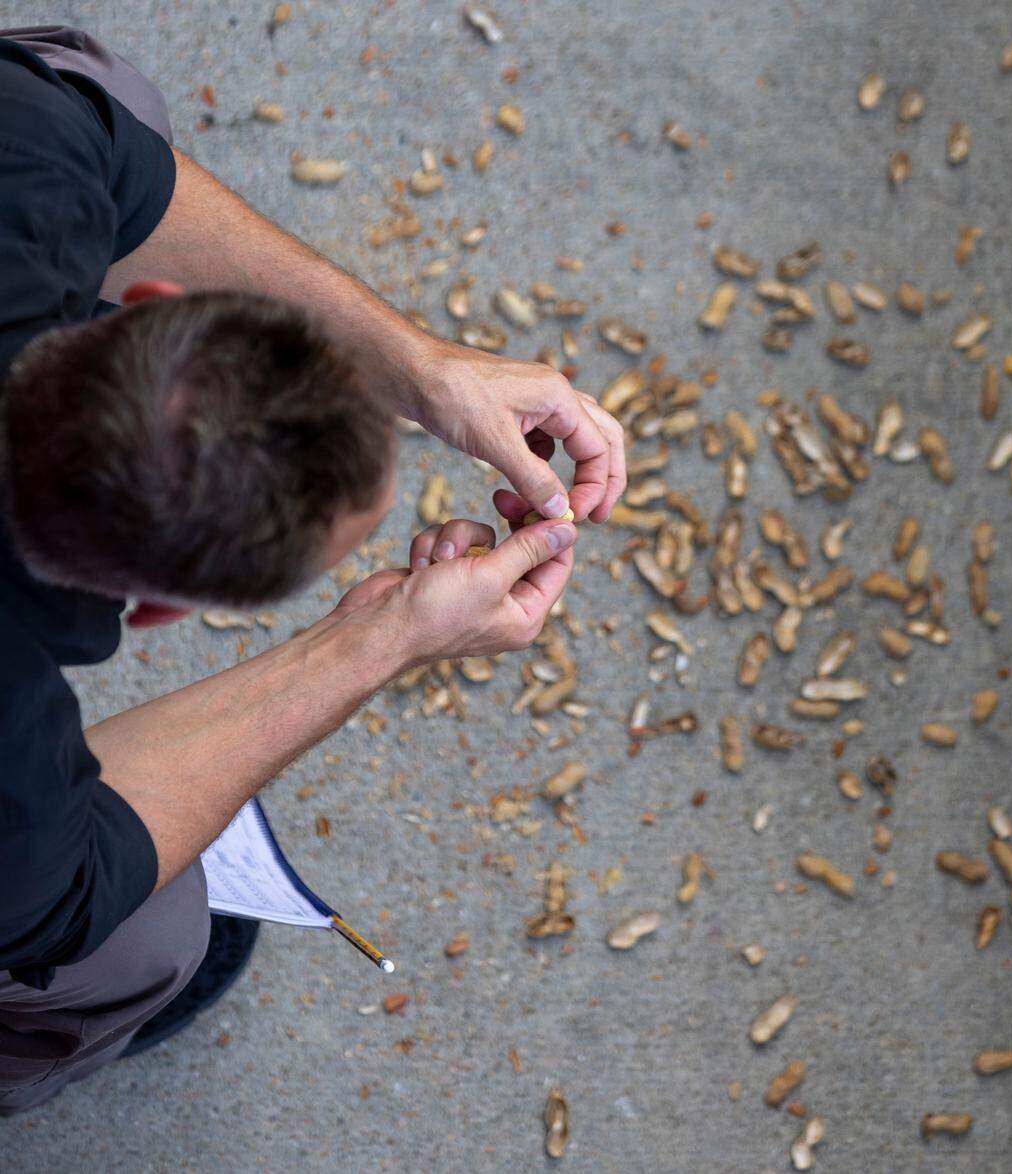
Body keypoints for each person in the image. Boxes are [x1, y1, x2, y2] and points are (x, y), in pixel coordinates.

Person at [0, 27, 625, 1115]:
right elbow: (67, 890)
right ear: (155, 611)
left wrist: (422, 370)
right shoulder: (11, 798)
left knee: (96, 96)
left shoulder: (23, 141)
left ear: (151, 304)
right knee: (141, 941)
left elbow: (112, 165)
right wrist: (377, 639)